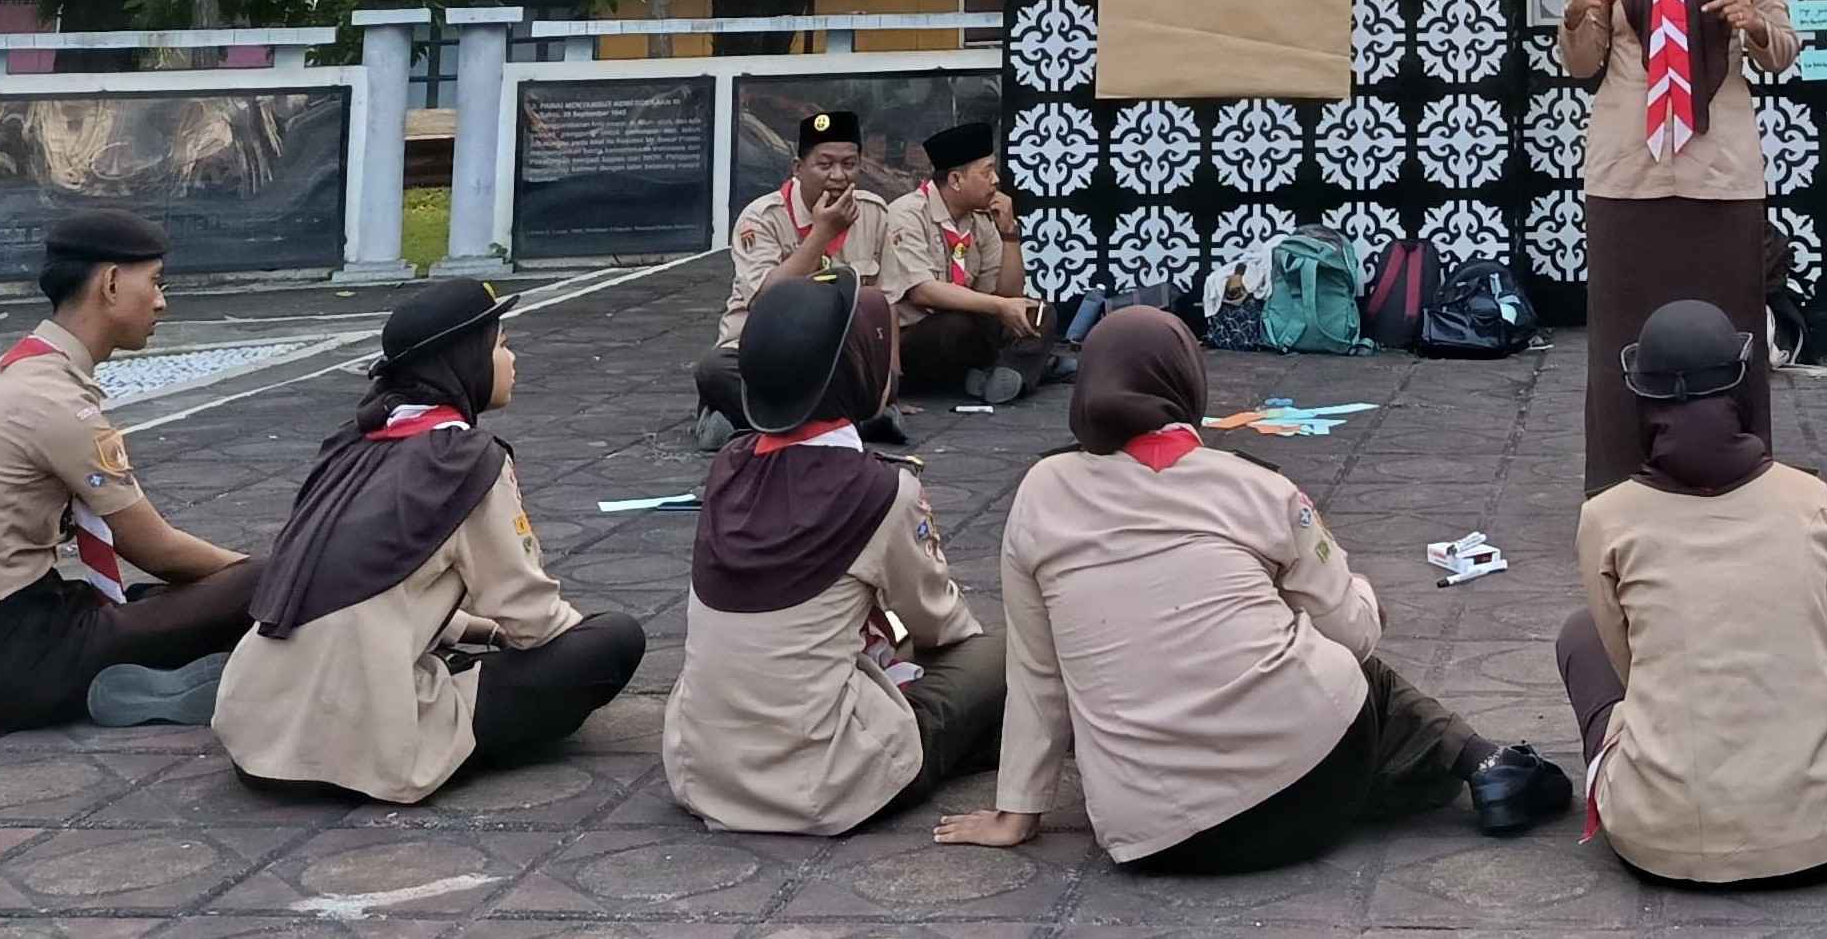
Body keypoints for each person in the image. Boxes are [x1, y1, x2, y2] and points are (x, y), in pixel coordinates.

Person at [939, 306, 1562, 869]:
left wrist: (1017, 810)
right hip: (1310, 803)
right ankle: (1486, 762)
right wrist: (1362, 595)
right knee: (1359, 675)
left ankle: (1468, 762)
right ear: (1188, 384)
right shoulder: (1257, 487)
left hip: (1149, 837)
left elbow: (1037, 671)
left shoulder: (1039, 491)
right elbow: (1355, 633)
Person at [217, 280, 643, 800]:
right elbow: (531, 619)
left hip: (256, 737)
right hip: (363, 748)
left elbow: (377, 584)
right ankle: (437, 719)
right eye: (502, 345)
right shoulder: (465, 461)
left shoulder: (351, 446)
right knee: (613, 640)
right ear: (465, 361)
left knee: (457, 647)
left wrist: (476, 631)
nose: (512, 359)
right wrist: (571, 637)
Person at [1558, 300, 1827, 887]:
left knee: (1581, 634)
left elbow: (1628, 664)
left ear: (1641, 399)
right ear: (1742, 390)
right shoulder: (1809, 498)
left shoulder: (1605, 518)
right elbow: (1823, 631)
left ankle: (1644, 790)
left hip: (1660, 847)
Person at [665, 271, 1008, 832]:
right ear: (861, 371)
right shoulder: (882, 490)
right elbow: (940, 624)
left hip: (702, 769)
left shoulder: (727, 469)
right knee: (999, 656)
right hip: (824, 781)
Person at [0, 209, 260, 729]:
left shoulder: (17, 374)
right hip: (25, 661)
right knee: (271, 583)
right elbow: (157, 549)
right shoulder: (53, 403)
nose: (162, 302)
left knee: (179, 599)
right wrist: (269, 580)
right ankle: (177, 678)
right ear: (112, 284)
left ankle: (155, 680)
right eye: (156, 283)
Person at [1557, 0, 1794, 493]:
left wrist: (1754, 25)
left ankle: (1738, 477)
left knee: (1729, 338)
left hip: (1719, 175)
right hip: (1627, 176)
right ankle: (1619, 483)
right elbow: (1581, 62)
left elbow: (1782, 50)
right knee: (1621, 342)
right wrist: (1577, 11)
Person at [696, 110, 889, 451]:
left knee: (879, 373)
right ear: (798, 168)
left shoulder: (874, 212)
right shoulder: (762, 217)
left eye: (849, 164)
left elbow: (887, 306)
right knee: (714, 370)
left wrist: (886, 386)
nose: (838, 176)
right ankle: (840, 425)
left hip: (836, 355)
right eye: (825, 164)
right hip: (767, 352)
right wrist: (822, 232)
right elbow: (766, 300)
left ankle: (752, 424)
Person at [874, 121, 1059, 405]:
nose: (996, 180)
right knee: (955, 326)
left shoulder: (981, 219)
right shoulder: (907, 214)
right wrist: (999, 306)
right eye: (987, 172)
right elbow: (922, 291)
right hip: (921, 336)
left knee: (1039, 312)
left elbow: (1009, 295)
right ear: (956, 180)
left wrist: (1010, 234)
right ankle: (1026, 369)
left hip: (971, 329)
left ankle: (1008, 375)